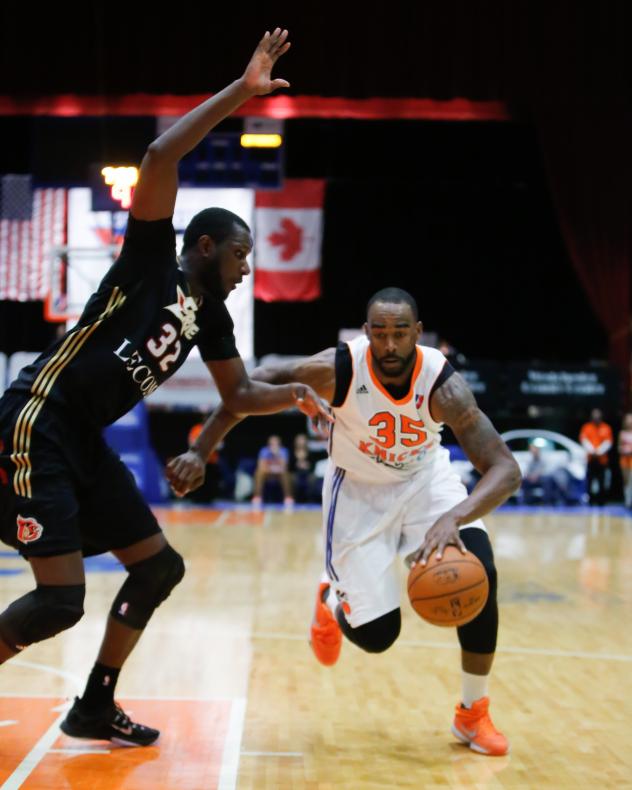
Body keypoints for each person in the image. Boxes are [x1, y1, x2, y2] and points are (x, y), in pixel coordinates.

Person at [0, 28, 328, 747]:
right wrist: (243, 93)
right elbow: (158, 155)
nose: (248, 269)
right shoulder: (151, 261)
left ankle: (93, 706)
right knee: (59, 601)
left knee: (158, 569)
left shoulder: (210, 316)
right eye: (241, 255)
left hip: (80, 443)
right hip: (39, 419)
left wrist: (309, 390)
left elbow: (241, 395)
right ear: (205, 247)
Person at [168, 287, 522, 757]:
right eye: (380, 334)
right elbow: (250, 387)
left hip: (426, 481)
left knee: (482, 576)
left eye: (401, 334)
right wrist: (200, 449)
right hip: (356, 490)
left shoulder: (442, 382)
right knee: (378, 636)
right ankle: (331, 600)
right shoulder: (339, 368)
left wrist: (453, 517)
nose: (391, 345)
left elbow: (506, 469)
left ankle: (472, 713)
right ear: (366, 333)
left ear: (418, 333)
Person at [579, 408, 613, 506]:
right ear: (591, 416)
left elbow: (608, 442)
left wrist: (599, 451)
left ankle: (601, 502)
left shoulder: (606, 428)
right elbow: (584, 440)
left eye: (598, 415)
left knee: (602, 481)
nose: (596, 417)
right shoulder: (586, 427)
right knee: (589, 481)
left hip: (602, 460)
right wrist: (592, 451)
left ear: (601, 416)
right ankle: (590, 501)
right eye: (594, 415)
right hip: (591, 459)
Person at [251, 434, 293, 509]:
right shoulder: (264, 450)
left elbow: (284, 466)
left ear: (279, 443)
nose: (274, 445)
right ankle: (257, 497)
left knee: (286, 474)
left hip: (279, 474)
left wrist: (277, 454)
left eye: (276, 443)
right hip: (267, 473)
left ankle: (288, 498)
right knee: (258, 473)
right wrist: (271, 469)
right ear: (268, 444)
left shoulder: (283, 451)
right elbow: (261, 466)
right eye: (272, 443)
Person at [617, 413, 632, 508]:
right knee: (626, 480)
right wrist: (624, 450)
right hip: (624, 459)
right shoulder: (622, 433)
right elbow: (618, 447)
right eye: (628, 420)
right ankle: (627, 500)